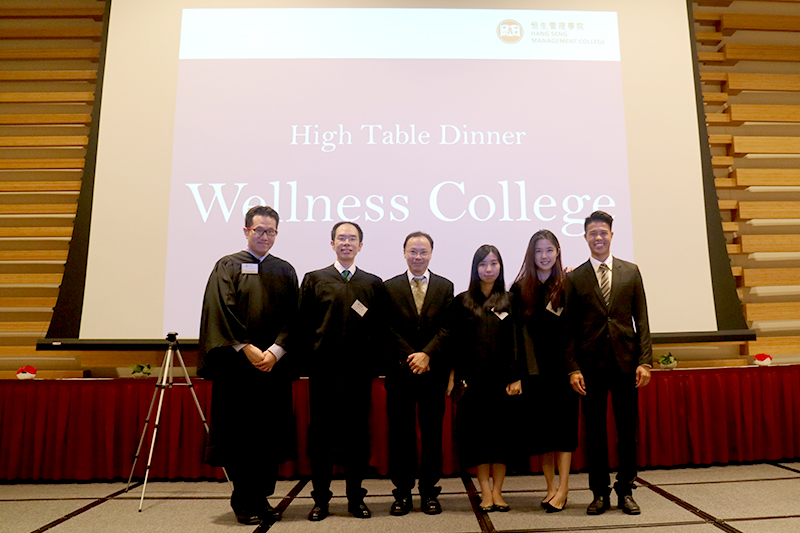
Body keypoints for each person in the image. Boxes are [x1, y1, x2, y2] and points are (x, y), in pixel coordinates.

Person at [197, 205, 298, 525]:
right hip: (239, 370)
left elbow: (295, 318)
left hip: (272, 369)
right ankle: (243, 501)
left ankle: (263, 498)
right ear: (246, 231)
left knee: (268, 436)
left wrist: (276, 351)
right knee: (241, 436)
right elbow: (221, 309)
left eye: (271, 231)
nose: (265, 236)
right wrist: (247, 348)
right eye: (259, 230)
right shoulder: (228, 266)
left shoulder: (285, 270)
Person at [564, 211, 652, 515]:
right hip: (591, 367)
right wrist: (573, 367)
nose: (598, 237)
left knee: (628, 430)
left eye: (603, 232)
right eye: (592, 233)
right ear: (585, 237)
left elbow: (641, 318)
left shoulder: (631, 271)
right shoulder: (575, 278)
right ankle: (599, 492)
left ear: (611, 236)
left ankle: (626, 489)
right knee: (595, 432)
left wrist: (646, 361)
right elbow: (570, 328)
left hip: (627, 364)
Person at [298, 221, 385, 521]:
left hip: (359, 375)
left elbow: (380, 330)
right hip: (323, 374)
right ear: (332, 243)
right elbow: (303, 326)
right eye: (341, 238)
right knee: (320, 438)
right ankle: (320, 499)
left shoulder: (373, 284)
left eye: (353, 239)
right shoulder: (314, 279)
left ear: (361, 245)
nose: (347, 243)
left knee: (357, 439)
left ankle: (355, 499)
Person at [445, 245, 525, 513]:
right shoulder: (462, 301)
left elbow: (517, 341)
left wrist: (516, 377)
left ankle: (499, 492)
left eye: (493, 263)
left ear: (500, 267)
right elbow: (454, 344)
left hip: (503, 383)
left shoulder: (511, 300)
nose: (488, 269)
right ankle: (486, 492)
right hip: (473, 382)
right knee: (479, 440)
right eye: (483, 264)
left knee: (501, 439)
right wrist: (453, 376)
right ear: (475, 268)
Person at [384, 232, 454, 516]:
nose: (418, 257)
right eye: (413, 251)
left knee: (432, 435)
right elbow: (385, 328)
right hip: (400, 374)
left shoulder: (445, 286)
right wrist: (412, 356)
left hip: (432, 374)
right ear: (403, 253)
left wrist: (427, 354)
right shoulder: (389, 287)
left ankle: (428, 492)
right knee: (400, 436)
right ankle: (401, 493)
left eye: (423, 252)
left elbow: (448, 328)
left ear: (431, 254)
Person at [512, 229, 578, 513]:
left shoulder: (567, 285)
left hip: (563, 371)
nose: (544, 256)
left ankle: (564, 487)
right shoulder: (519, 289)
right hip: (533, 373)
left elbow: (575, 329)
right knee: (542, 434)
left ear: (558, 252)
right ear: (531, 254)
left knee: (563, 431)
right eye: (539, 251)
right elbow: (515, 334)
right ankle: (550, 486)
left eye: (549, 250)